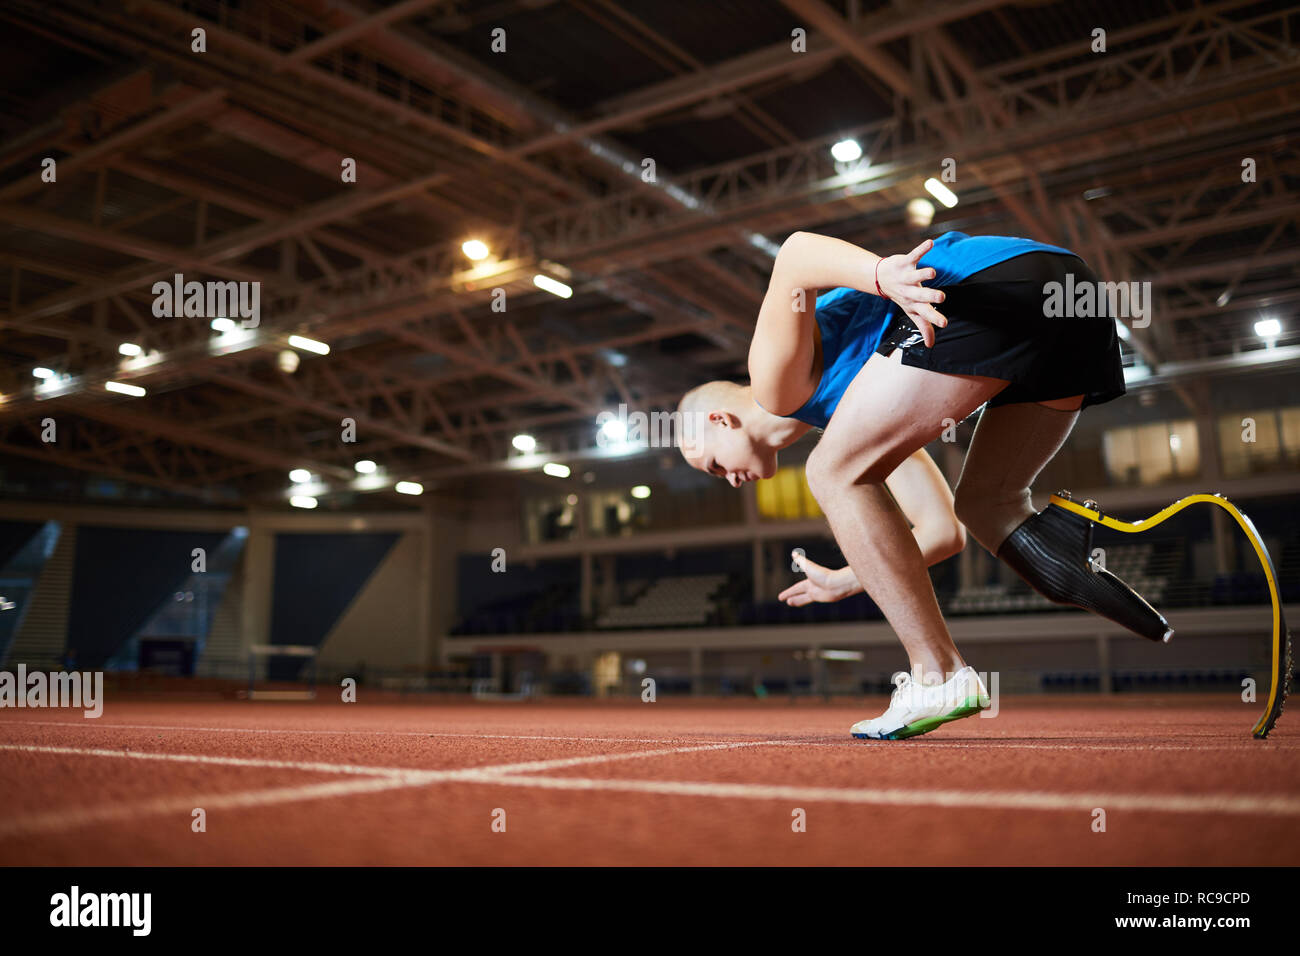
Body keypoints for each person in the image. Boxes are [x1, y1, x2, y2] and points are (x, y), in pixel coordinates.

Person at [679, 231, 1168, 739]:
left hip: (983, 288)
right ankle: (1078, 563)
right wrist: (849, 578)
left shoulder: (773, 384)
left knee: (830, 471)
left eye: (713, 466)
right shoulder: (863, 416)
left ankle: (939, 675)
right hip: (1070, 299)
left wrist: (880, 274)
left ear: (721, 420)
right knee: (987, 505)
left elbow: (796, 254)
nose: (728, 481)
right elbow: (942, 530)